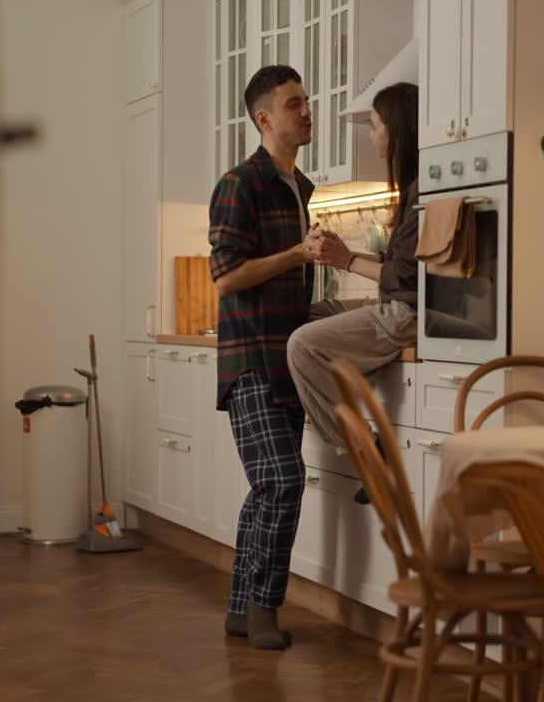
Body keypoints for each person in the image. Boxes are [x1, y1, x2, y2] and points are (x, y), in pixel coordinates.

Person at [208, 65, 320, 651]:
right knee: (283, 479)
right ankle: (264, 608)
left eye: (308, 101)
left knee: (265, 487)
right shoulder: (239, 184)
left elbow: (293, 276)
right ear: (264, 118)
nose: (307, 111)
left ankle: (236, 608)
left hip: (290, 362)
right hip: (251, 358)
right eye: (293, 102)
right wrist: (298, 251)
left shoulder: (302, 188)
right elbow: (226, 278)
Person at [287, 82, 420, 469]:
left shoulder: (422, 190)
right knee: (308, 317)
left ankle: (367, 452)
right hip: (394, 305)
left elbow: (403, 278)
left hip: (406, 314)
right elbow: (396, 263)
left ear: (397, 131)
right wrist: (340, 254)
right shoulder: (412, 189)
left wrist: (345, 260)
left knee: (302, 345)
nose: (372, 136)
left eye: (375, 125)